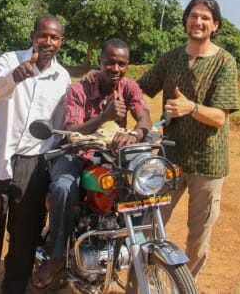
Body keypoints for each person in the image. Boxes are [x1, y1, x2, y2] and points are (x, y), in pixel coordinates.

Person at [0, 15, 71, 294]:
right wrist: (16, 76)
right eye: (43, 35)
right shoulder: (10, 60)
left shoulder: (64, 78)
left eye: (54, 37)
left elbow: (59, 128)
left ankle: (13, 288)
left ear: (61, 42)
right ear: (33, 35)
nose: (48, 42)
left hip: (33, 166)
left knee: (24, 238)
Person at [32, 38, 152, 289]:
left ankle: (132, 245)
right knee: (64, 188)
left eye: (121, 64)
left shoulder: (129, 87)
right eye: (110, 63)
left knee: (144, 189)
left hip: (108, 157)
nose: (115, 69)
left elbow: (144, 117)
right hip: (75, 154)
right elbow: (71, 129)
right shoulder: (80, 89)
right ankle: (56, 256)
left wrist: (136, 134)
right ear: (100, 62)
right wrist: (104, 117)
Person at [137, 0, 240, 283]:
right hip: (169, 159)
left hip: (208, 163)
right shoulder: (171, 58)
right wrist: (108, 79)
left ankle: (186, 286)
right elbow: (140, 88)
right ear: (185, 21)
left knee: (198, 238)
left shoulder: (224, 63)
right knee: (148, 229)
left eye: (205, 18)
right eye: (194, 16)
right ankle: (144, 285)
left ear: (215, 25)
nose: (198, 22)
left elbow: (220, 116)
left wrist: (191, 107)